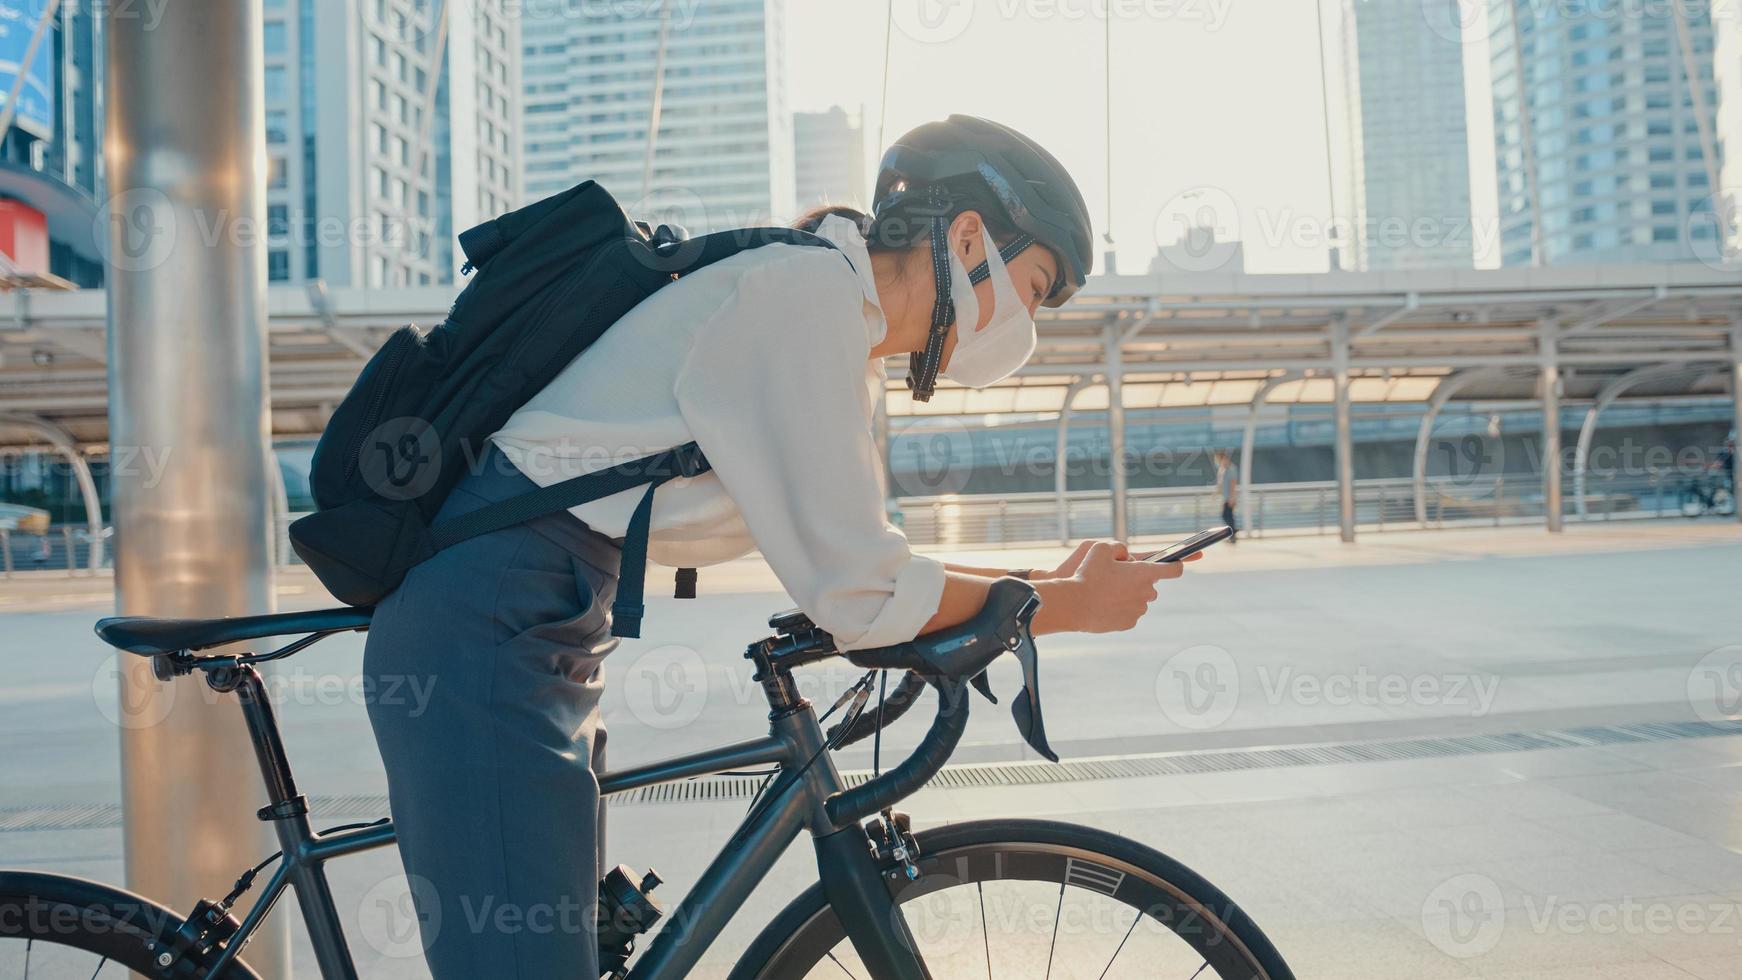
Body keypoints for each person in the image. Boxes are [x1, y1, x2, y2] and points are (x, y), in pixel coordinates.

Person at [363, 115, 1195, 979]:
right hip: (493, 620)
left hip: (536, 614)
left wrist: (1041, 584)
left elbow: (864, 559)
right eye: (1034, 286)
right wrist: (1061, 606)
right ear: (970, 236)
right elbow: (862, 593)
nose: (1027, 324)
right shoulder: (806, 300)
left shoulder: (826, 311)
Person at [1214, 448, 1240, 543]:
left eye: (1218, 460)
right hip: (1225, 497)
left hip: (1229, 497)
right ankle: (1232, 533)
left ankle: (1232, 532)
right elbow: (1220, 484)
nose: (1217, 462)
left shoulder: (1231, 468)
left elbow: (1233, 483)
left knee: (1226, 515)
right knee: (1228, 515)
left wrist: (1232, 498)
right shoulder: (1223, 469)